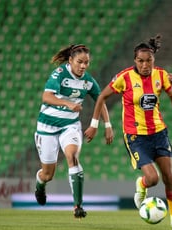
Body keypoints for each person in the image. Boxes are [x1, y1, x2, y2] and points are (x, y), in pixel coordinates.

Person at [84, 34, 172, 229]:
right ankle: (142, 185)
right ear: (135, 61)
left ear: (153, 60)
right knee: (153, 179)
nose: (145, 65)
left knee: (169, 177)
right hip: (136, 136)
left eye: (148, 60)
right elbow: (101, 97)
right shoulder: (124, 77)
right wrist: (96, 125)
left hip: (159, 133)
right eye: (141, 61)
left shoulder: (161, 75)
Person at [34, 44, 113, 219]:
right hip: (47, 127)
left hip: (70, 126)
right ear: (70, 60)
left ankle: (78, 206)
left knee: (72, 156)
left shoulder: (88, 81)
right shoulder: (60, 74)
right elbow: (46, 96)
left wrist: (107, 125)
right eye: (80, 62)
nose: (83, 66)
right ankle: (40, 185)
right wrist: (68, 104)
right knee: (48, 174)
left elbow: (100, 100)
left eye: (87, 62)